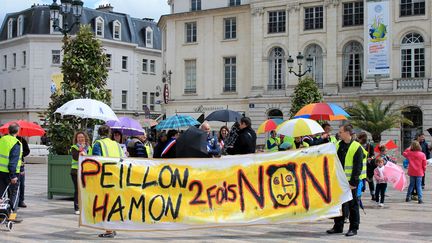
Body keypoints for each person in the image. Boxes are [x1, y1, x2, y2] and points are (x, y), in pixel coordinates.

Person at [327, 124, 365, 237]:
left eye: (341, 132)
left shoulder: (356, 147)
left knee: (352, 205)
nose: (339, 133)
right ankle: (338, 226)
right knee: (339, 205)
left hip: (350, 183)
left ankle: (354, 228)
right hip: (338, 181)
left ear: (348, 133)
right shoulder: (338, 145)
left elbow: (358, 167)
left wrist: (354, 182)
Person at [91, 125, 125, 238]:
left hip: (104, 178)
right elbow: (122, 159)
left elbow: (97, 161)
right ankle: (113, 228)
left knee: (105, 204)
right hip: (116, 177)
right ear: (109, 133)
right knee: (113, 203)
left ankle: (109, 230)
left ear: (98, 133)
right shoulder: (116, 144)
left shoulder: (98, 144)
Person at [0, 123, 23, 222]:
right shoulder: (16, 143)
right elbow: (13, 161)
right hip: (11, 173)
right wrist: (13, 175)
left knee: (1, 195)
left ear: (8, 130)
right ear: (18, 131)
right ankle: (12, 217)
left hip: (1, 171)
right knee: (14, 195)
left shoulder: (2, 140)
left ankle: (1, 216)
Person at [70, 131, 91, 215]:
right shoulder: (74, 147)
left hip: (87, 172)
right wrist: (81, 150)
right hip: (76, 172)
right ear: (76, 139)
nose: (80, 139)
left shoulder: (89, 147)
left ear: (85, 138)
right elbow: (75, 157)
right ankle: (77, 207)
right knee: (78, 190)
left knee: (86, 190)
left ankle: (85, 207)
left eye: (82, 137)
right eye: (79, 137)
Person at [357, 132, 375, 201]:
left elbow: (373, 155)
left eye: (360, 138)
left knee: (370, 181)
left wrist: (371, 158)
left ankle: (373, 195)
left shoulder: (370, 145)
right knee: (362, 182)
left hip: (368, 166)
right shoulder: (357, 145)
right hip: (361, 166)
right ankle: (359, 195)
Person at [16, 136, 30, 208]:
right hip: (9, 165)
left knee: (21, 184)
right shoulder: (6, 140)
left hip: (20, 165)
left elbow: (27, 151)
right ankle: (11, 200)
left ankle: (21, 200)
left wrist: (21, 154)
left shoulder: (21, 140)